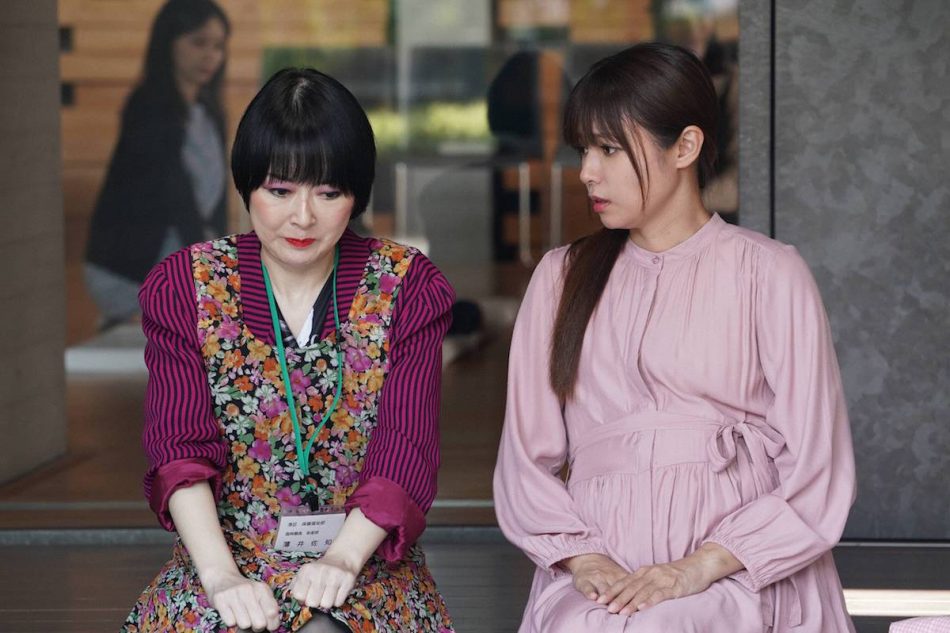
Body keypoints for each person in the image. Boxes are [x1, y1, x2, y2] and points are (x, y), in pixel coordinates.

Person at [493, 43, 856, 632]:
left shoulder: (769, 271)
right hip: (601, 566)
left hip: (742, 566)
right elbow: (524, 461)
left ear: (685, 147)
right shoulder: (561, 277)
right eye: (584, 150)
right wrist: (584, 559)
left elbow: (818, 467)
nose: (587, 172)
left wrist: (698, 568)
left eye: (609, 149)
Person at [123, 68, 455, 632]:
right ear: (247, 184)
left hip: (363, 564)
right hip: (224, 562)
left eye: (328, 192)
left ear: (356, 194)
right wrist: (220, 577)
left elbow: (406, 446)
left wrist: (343, 559)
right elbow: (178, 450)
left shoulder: (407, 286)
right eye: (280, 190)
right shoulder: (187, 285)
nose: (303, 217)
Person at [85, 0, 230, 327]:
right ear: (168, 42)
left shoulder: (209, 113)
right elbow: (172, 195)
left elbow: (214, 203)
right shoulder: (148, 107)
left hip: (185, 258)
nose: (210, 55)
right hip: (132, 267)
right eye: (198, 42)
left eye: (218, 46)